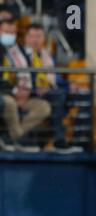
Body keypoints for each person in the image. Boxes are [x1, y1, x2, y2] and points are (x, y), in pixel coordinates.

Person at [22, 22, 80, 152]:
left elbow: (56, 79)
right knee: (58, 96)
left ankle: (73, 139)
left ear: (44, 39)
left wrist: (68, 86)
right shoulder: (21, 55)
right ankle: (59, 141)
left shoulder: (47, 56)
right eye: (32, 36)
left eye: (39, 36)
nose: (35, 40)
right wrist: (37, 88)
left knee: (72, 93)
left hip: (49, 91)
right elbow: (22, 77)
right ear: (25, 38)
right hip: (29, 92)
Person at [0, 17, 50, 151]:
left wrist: (29, 90)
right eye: (7, 32)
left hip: (23, 94)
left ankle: (10, 138)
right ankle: (15, 141)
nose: (10, 36)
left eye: (13, 33)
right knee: (9, 103)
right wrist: (16, 91)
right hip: (6, 94)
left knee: (43, 107)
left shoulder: (22, 51)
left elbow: (31, 75)